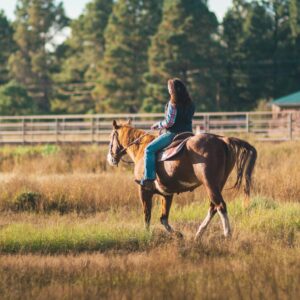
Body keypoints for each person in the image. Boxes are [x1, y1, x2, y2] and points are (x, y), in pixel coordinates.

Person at [137, 78, 195, 191]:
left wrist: (158, 125)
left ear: (173, 90)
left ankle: (149, 179)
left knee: (149, 149)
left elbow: (169, 122)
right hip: (188, 134)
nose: (168, 91)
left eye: (169, 88)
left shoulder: (172, 104)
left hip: (173, 134)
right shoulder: (191, 104)